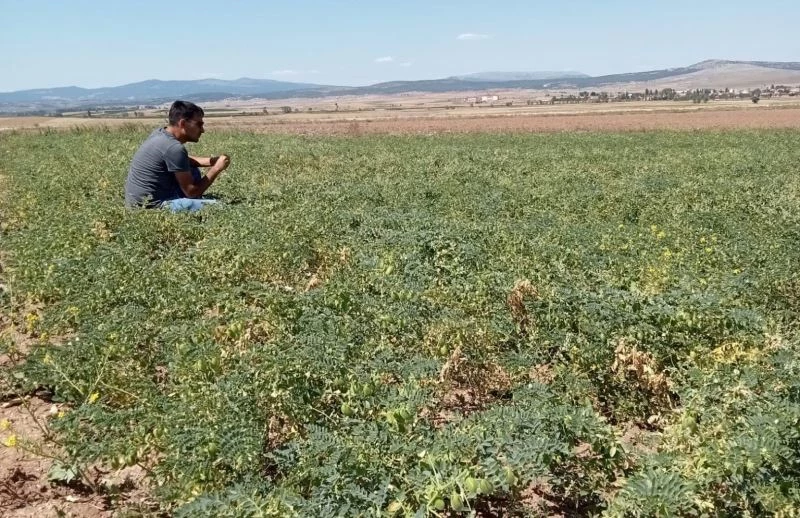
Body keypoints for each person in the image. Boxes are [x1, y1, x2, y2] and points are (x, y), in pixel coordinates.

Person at [124, 100, 231, 212]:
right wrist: (216, 169)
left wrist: (211, 161)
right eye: (199, 124)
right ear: (183, 123)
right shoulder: (174, 148)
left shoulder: (160, 134)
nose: (202, 130)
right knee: (221, 207)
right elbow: (191, 193)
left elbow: (181, 160)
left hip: (135, 204)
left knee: (192, 171)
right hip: (150, 208)